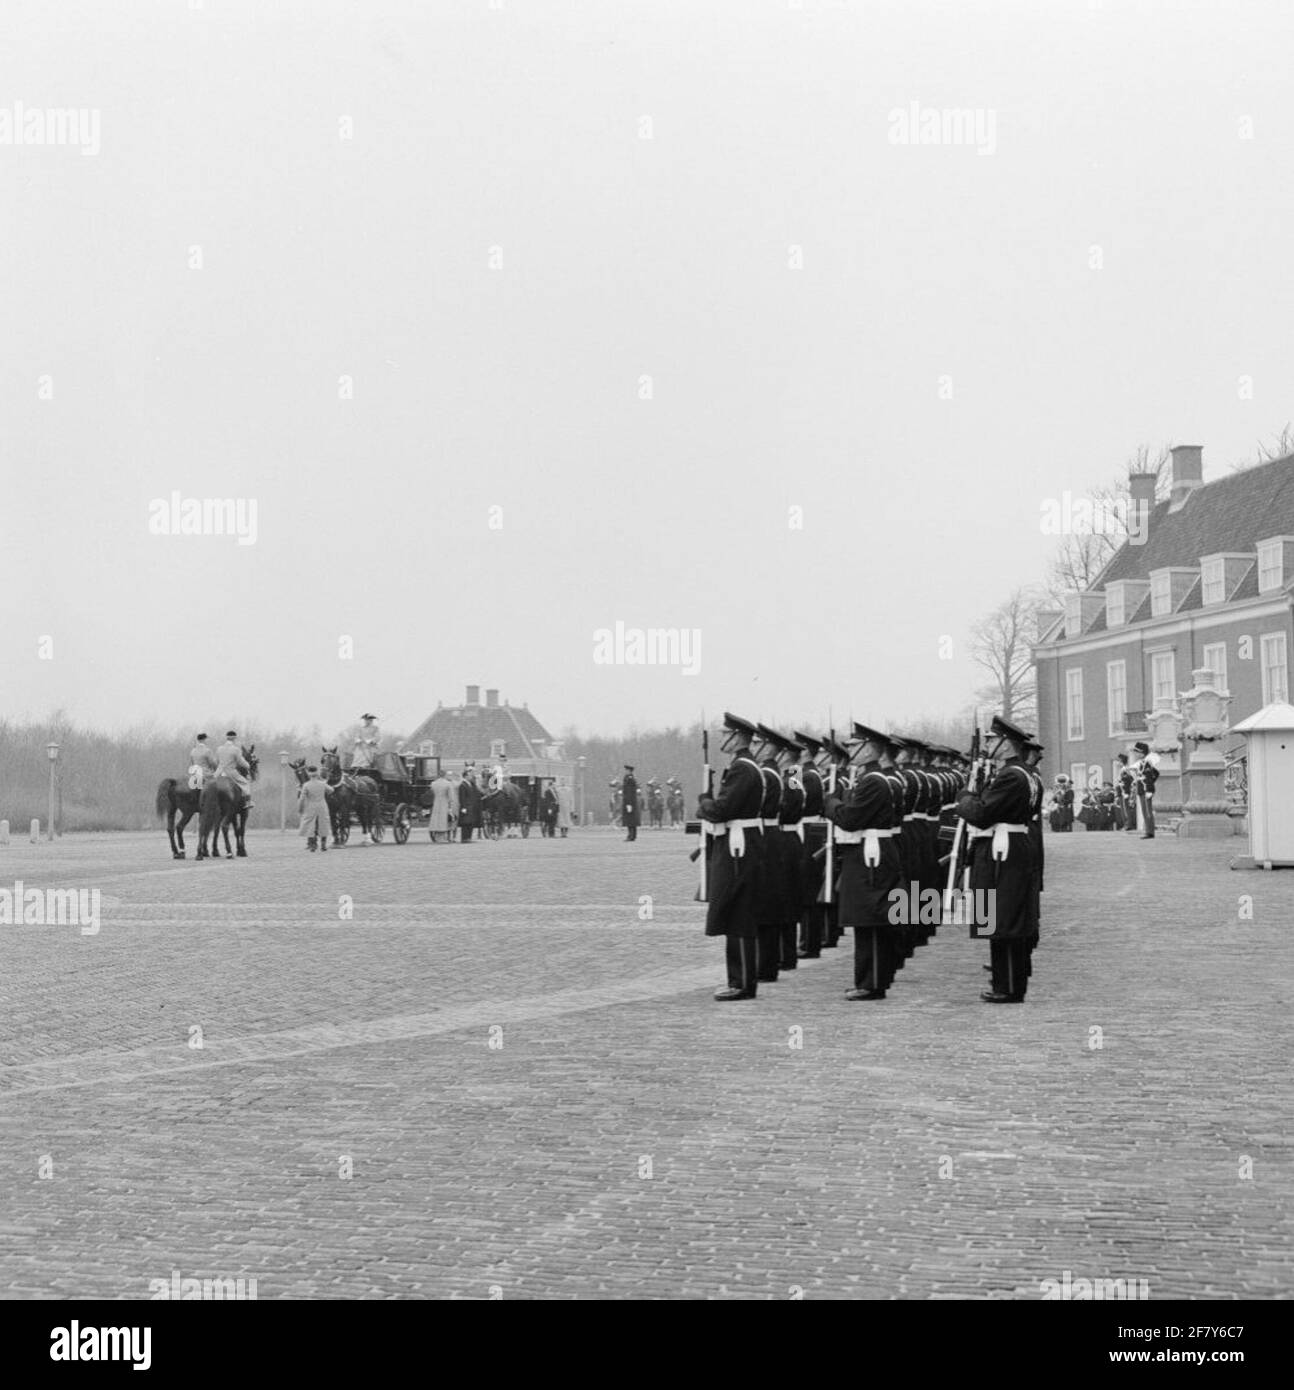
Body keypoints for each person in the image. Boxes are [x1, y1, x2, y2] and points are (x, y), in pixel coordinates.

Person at [955, 715, 1041, 1003]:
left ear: (1006, 745)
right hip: (1014, 845)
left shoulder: (1010, 775)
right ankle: (1009, 983)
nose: (989, 744)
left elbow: (981, 813)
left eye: (993, 740)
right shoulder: (1027, 773)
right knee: (1008, 917)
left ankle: (1007, 986)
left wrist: (965, 796)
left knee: (1001, 918)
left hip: (1002, 850)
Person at [827, 725, 904, 1001]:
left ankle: (870, 982)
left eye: (854, 745)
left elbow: (850, 818)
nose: (849, 751)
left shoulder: (873, 781)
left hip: (871, 854)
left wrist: (831, 803)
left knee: (869, 917)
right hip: (873, 851)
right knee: (869, 918)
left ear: (870, 748)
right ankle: (871, 979)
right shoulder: (874, 778)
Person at [697, 714, 766, 1001]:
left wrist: (705, 803)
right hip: (741, 843)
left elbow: (723, 810)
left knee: (737, 912)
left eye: (725, 733)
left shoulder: (742, 769)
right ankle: (740, 979)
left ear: (737, 737)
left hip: (738, 846)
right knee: (739, 913)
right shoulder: (745, 766)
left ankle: (741, 981)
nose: (721, 737)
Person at [793, 731, 827, 959]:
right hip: (808, 831)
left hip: (807, 833)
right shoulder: (810, 774)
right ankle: (807, 940)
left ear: (805, 751)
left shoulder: (807, 776)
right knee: (806, 892)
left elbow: (796, 805)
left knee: (807, 893)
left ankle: (809, 943)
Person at [215, 730, 253, 809]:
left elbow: (217, 762)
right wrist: (248, 765)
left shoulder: (219, 749)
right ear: (234, 738)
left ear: (227, 738)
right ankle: (248, 802)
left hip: (218, 773)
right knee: (245, 783)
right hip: (230, 772)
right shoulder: (236, 749)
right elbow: (240, 762)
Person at [298, 764, 331, 851]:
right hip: (322, 806)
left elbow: (302, 799)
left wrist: (300, 808)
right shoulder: (322, 784)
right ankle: (323, 845)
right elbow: (331, 790)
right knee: (323, 824)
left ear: (309, 774)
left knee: (310, 825)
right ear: (317, 773)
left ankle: (313, 845)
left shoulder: (306, 785)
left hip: (310, 806)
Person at [1132, 741, 1159, 839]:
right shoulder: (1142, 763)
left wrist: (1149, 788)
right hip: (1142, 790)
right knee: (1145, 811)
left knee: (1147, 811)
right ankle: (1148, 831)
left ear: (1142, 752)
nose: (1135, 754)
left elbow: (1154, 774)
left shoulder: (1147, 763)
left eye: (1137, 752)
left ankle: (1150, 832)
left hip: (1146, 790)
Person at [458, 765, 483, 842]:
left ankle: (469, 837)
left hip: (472, 807)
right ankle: (464, 838)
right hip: (466, 806)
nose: (471, 777)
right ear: (465, 776)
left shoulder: (471, 784)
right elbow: (462, 797)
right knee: (465, 823)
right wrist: (463, 807)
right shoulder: (462, 785)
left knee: (471, 823)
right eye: (469, 775)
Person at [428, 769, 453, 842]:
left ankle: (436, 835)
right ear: (445, 775)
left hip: (436, 802)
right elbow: (451, 796)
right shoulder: (448, 783)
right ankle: (442, 836)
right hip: (444, 802)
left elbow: (431, 793)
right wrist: (450, 804)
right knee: (443, 819)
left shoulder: (433, 783)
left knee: (436, 818)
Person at [621, 765, 640, 842]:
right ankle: (633, 836)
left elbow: (629, 792)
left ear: (629, 771)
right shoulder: (629, 778)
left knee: (630, 820)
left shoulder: (629, 779)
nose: (625, 771)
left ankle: (630, 836)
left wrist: (629, 803)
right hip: (631, 801)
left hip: (630, 801)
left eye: (626, 770)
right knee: (632, 820)